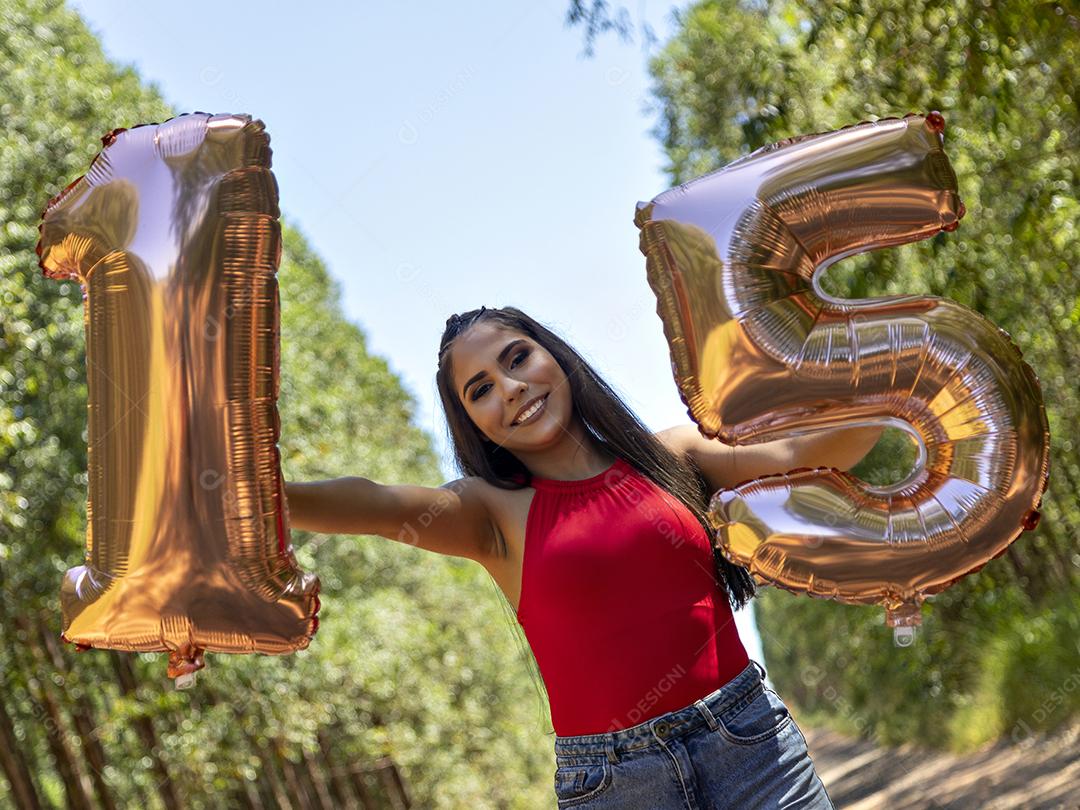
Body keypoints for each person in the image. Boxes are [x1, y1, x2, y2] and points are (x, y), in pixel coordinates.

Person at [285, 306, 876, 808]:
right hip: (614, 784)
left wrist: (893, 369)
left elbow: (813, 452)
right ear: (476, 427)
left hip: (751, 747)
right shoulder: (489, 514)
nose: (510, 386)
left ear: (557, 358)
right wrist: (251, 493)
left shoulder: (675, 455)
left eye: (517, 359)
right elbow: (375, 503)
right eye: (481, 389)